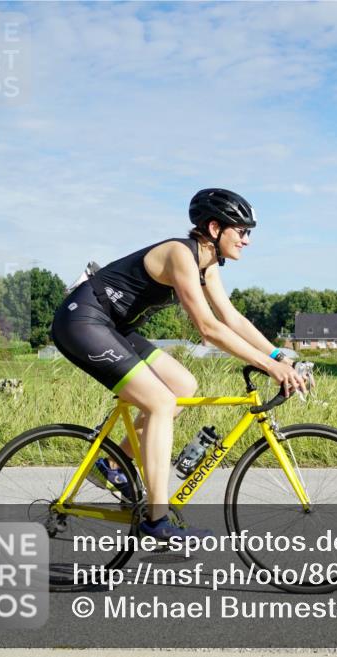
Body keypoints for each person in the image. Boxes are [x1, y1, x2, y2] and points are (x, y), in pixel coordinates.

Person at [50, 188, 310, 539]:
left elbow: (232, 318)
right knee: (160, 402)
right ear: (216, 228)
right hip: (82, 321)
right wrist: (267, 365)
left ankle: (113, 465)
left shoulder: (208, 265)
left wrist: (279, 357)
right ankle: (156, 522)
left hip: (114, 327)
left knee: (184, 385)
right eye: (242, 231)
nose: (247, 240)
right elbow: (207, 328)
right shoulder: (179, 254)